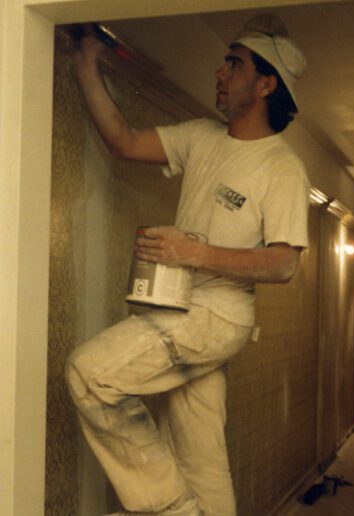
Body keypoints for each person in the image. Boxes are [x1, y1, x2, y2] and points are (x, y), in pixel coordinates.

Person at [66, 14, 310, 516]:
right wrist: (87, 65)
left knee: (89, 374)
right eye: (225, 62)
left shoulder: (281, 166)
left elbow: (284, 264)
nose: (220, 73)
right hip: (180, 306)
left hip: (216, 316)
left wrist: (193, 253)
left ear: (266, 84)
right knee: (203, 460)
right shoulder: (201, 137)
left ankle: (171, 508)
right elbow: (124, 141)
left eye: (233, 64)